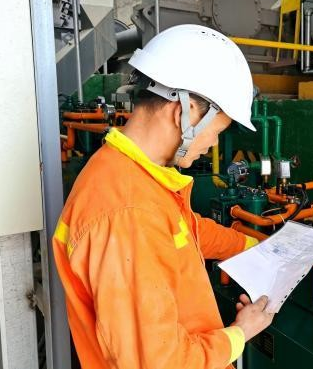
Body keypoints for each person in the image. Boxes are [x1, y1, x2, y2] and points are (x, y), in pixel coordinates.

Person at [53, 25, 274, 369]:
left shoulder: (129, 173)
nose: (214, 144)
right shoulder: (127, 213)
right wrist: (239, 334)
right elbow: (158, 362)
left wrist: (254, 248)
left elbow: (184, 231)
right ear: (183, 112)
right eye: (217, 131)